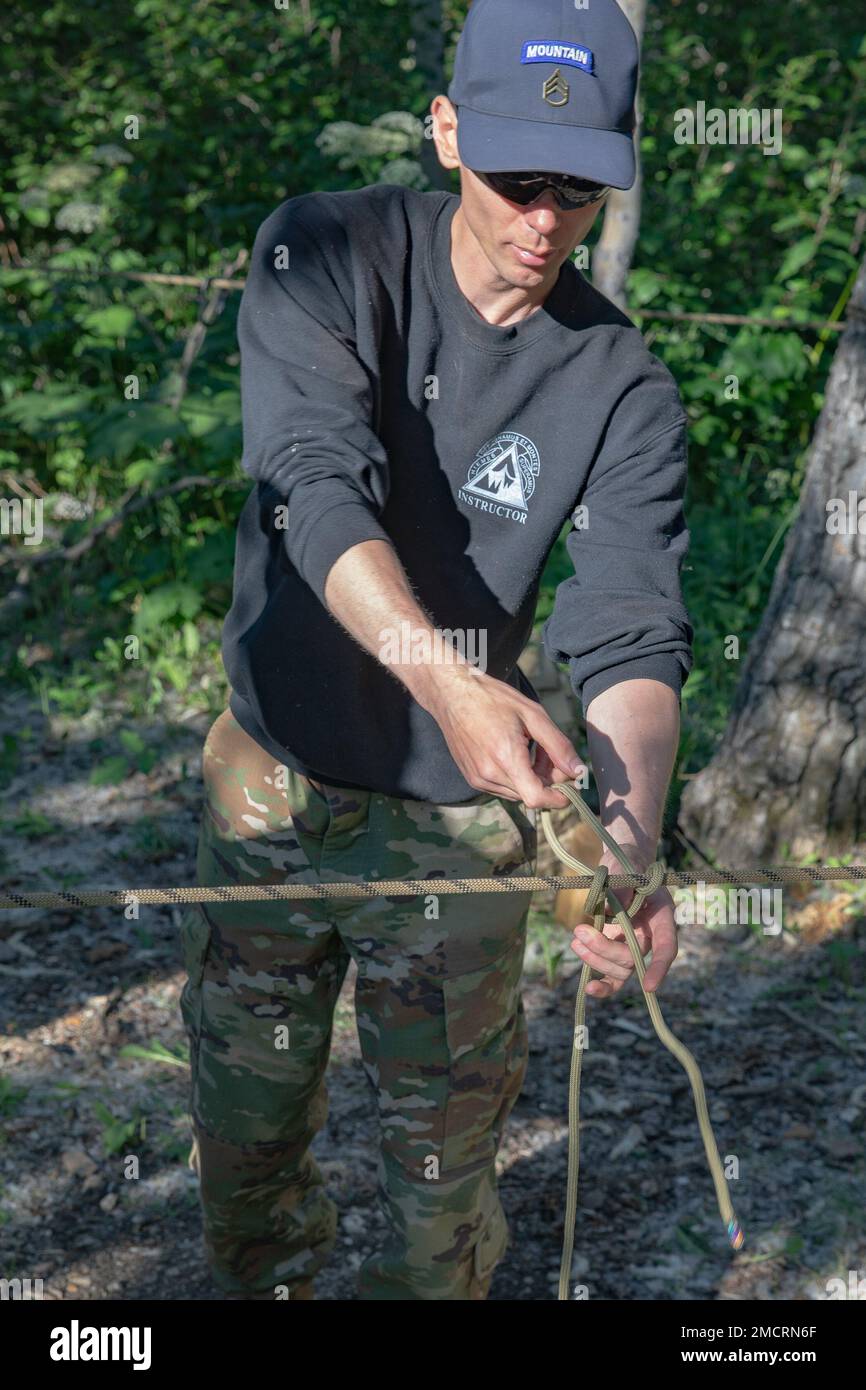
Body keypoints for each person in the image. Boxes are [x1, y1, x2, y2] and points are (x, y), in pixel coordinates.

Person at [179, 0, 693, 1301]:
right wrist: (448, 677)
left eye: (576, 190)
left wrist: (623, 852)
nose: (540, 220)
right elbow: (311, 477)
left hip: (458, 831)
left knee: (439, 1199)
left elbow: (630, 628)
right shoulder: (325, 247)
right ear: (445, 128)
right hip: (274, 776)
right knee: (248, 1141)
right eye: (515, 176)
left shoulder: (619, 383)